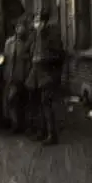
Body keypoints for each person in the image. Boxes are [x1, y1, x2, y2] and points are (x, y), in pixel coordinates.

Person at [25, 9, 64, 146]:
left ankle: (51, 134)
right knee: (38, 104)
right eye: (35, 20)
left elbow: (59, 55)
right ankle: (41, 131)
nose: (37, 23)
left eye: (39, 20)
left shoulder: (51, 35)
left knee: (47, 103)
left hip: (47, 73)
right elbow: (30, 52)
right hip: (36, 73)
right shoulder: (35, 35)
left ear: (44, 21)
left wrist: (46, 61)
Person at [3, 18, 32, 133]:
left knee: (22, 101)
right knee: (11, 101)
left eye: (22, 27)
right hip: (11, 75)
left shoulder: (26, 43)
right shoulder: (9, 43)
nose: (21, 29)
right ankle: (15, 124)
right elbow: (6, 58)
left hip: (23, 75)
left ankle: (23, 124)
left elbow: (28, 60)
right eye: (19, 27)